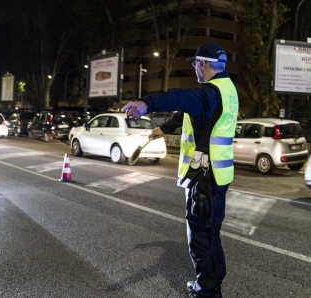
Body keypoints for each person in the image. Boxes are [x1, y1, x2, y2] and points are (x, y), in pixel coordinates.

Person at [124, 42, 238, 298]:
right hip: (218, 176)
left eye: (197, 63)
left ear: (203, 64)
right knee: (212, 236)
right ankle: (212, 284)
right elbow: (188, 112)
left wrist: (146, 102)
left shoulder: (208, 93)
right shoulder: (227, 89)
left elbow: (181, 98)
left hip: (203, 179)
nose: (195, 68)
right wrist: (164, 128)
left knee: (200, 239)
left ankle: (206, 292)